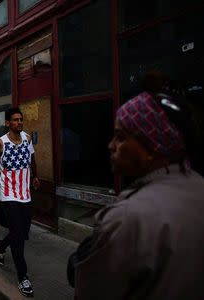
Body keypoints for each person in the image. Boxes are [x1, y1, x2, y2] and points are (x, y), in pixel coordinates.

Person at [71, 75, 204, 299]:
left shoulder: (127, 218)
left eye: (121, 137)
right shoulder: (197, 186)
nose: (111, 145)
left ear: (153, 145)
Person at [0, 107, 40, 297]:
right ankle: (23, 277)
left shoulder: (27, 138)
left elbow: (32, 159)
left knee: (23, 232)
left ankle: (0, 246)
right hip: (8, 194)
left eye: (21, 119)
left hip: (25, 194)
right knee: (18, 237)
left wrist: (35, 176)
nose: (20, 122)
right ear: (8, 123)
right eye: (16, 120)